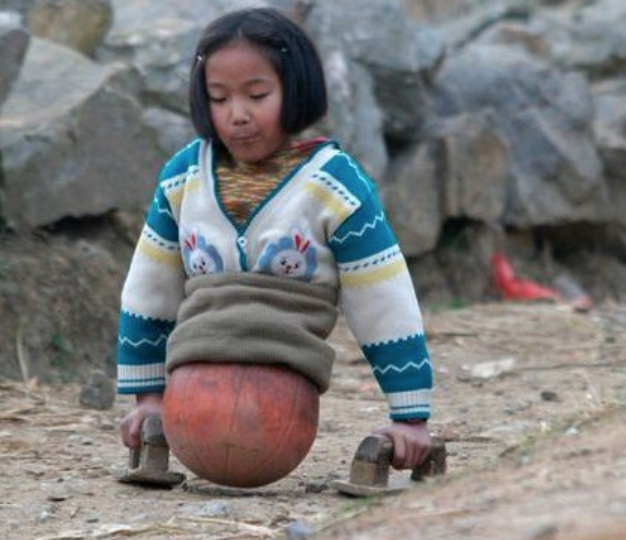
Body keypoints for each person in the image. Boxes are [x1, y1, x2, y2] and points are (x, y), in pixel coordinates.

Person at [116, 7, 433, 472]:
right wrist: (147, 398)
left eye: (257, 94)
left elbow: (383, 298)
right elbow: (150, 288)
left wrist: (410, 417)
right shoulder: (183, 178)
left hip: (282, 401)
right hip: (190, 389)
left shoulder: (334, 187)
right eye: (218, 98)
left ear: (296, 87)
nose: (237, 115)